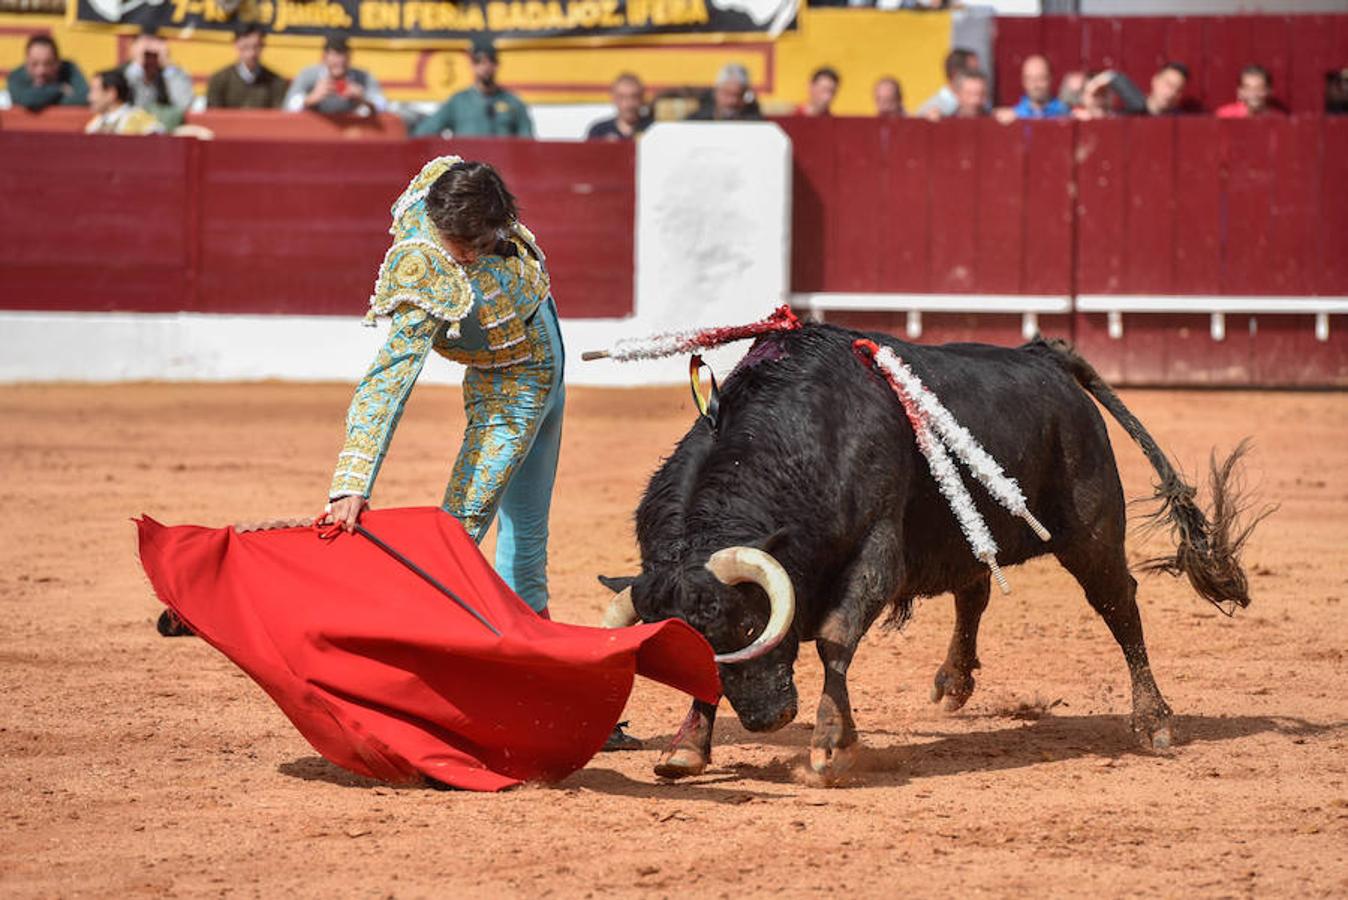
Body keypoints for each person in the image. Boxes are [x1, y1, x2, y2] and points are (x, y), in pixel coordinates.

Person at [412, 39, 533, 138]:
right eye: (479, 61)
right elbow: (424, 132)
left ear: (497, 65)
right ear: (472, 66)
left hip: (502, 160)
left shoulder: (513, 102)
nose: (485, 67)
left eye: (490, 61)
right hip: (468, 160)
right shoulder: (459, 102)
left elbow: (527, 142)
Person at [285, 34, 387, 116]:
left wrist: (362, 99)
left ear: (349, 57)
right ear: (324, 57)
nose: (339, 60)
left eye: (343, 55)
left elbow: (382, 105)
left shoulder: (362, 77)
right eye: (334, 55)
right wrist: (311, 99)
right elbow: (288, 105)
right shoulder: (309, 75)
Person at [119, 25, 194, 127]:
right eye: (146, 41)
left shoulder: (175, 74)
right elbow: (129, 105)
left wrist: (167, 67)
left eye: (157, 41)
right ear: (132, 46)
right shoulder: (121, 73)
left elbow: (184, 105)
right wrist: (139, 66)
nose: (151, 47)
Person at [206, 23, 288, 109]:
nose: (251, 53)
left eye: (256, 47)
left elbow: (279, 113)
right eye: (246, 47)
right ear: (236, 45)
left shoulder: (276, 82)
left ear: (263, 46)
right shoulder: (219, 80)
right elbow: (213, 113)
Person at [6, 34, 88, 112]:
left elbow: (84, 98)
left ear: (58, 63)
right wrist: (59, 89)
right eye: (34, 64)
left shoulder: (69, 69)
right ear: (26, 63)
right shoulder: (16, 76)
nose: (41, 71)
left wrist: (40, 98)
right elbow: (26, 100)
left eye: (47, 64)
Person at [85, 69, 164, 135]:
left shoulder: (137, 118)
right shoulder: (95, 124)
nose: (89, 97)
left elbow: (159, 137)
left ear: (111, 93)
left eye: (94, 90)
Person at [915, 47, 979, 119]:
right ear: (955, 73)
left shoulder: (979, 106)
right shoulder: (930, 110)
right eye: (972, 72)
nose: (978, 76)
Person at [584, 72, 652, 140]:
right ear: (614, 98)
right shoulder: (599, 131)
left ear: (642, 98)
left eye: (634, 97)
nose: (629, 104)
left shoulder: (652, 129)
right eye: (622, 97)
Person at [687, 63, 762, 121]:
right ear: (716, 92)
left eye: (739, 95)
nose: (732, 101)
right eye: (727, 94)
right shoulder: (696, 121)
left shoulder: (755, 123)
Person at [1012, 54, 1069, 119]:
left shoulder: (1065, 113)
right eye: (1030, 79)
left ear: (1051, 79)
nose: (1036, 85)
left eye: (1041, 78)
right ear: (1023, 81)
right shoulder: (1014, 116)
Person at [1216, 65, 1281, 118]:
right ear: (1240, 92)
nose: (1254, 93)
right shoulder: (1225, 116)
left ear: (1269, 91)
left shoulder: (1278, 120)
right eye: (1248, 88)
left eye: (1259, 88)